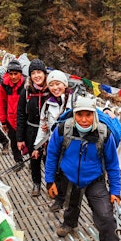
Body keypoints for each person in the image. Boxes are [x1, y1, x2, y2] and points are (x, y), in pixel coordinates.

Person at [44, 95, 121, 241]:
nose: (84, 119)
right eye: (80, 115)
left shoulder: (104, 134)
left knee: (105, 217)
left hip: (94, 179)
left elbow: (112, 164)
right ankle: (69, 223)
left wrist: (115, 191)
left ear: (94, 115)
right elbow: (52, 154)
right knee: (71, 203)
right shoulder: (64, 129)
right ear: (74, 114)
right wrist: (49, 181)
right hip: (68, 176)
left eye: (88, 115)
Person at [34, 70, 73, 210]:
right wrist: (36, 147)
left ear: (65, 84)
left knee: (68, 174)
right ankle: (59, 199)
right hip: (53, 145)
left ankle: (70, 201)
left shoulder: (75, 101)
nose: (55, 88)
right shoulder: (48, 104)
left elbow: (92, 109)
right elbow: (42, 126)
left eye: (58, 84)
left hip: (71, 146)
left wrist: (106, 110)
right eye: (51, 85)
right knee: (55, 173)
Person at [16, 59, 49, 197]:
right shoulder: (26, 91)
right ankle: (36, 183)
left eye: (39, 72)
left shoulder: (51, 90)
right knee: (34, 160)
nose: (37, 76)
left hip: (48, 133)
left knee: (50, 160)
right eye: (33, 73)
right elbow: (21, 115)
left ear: (44, 73)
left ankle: (51, 184)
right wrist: (20, 138)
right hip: (32, 131)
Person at [0, 59, 26, 167]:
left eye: (16, 74)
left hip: (24, 118)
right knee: (13, 142)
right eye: (11, 74)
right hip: (10, 118)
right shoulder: (4, 85)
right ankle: (18, 161)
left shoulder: (26, 85)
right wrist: (3, 121)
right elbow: (2, 103)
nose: (13, 77)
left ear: (20, 73)